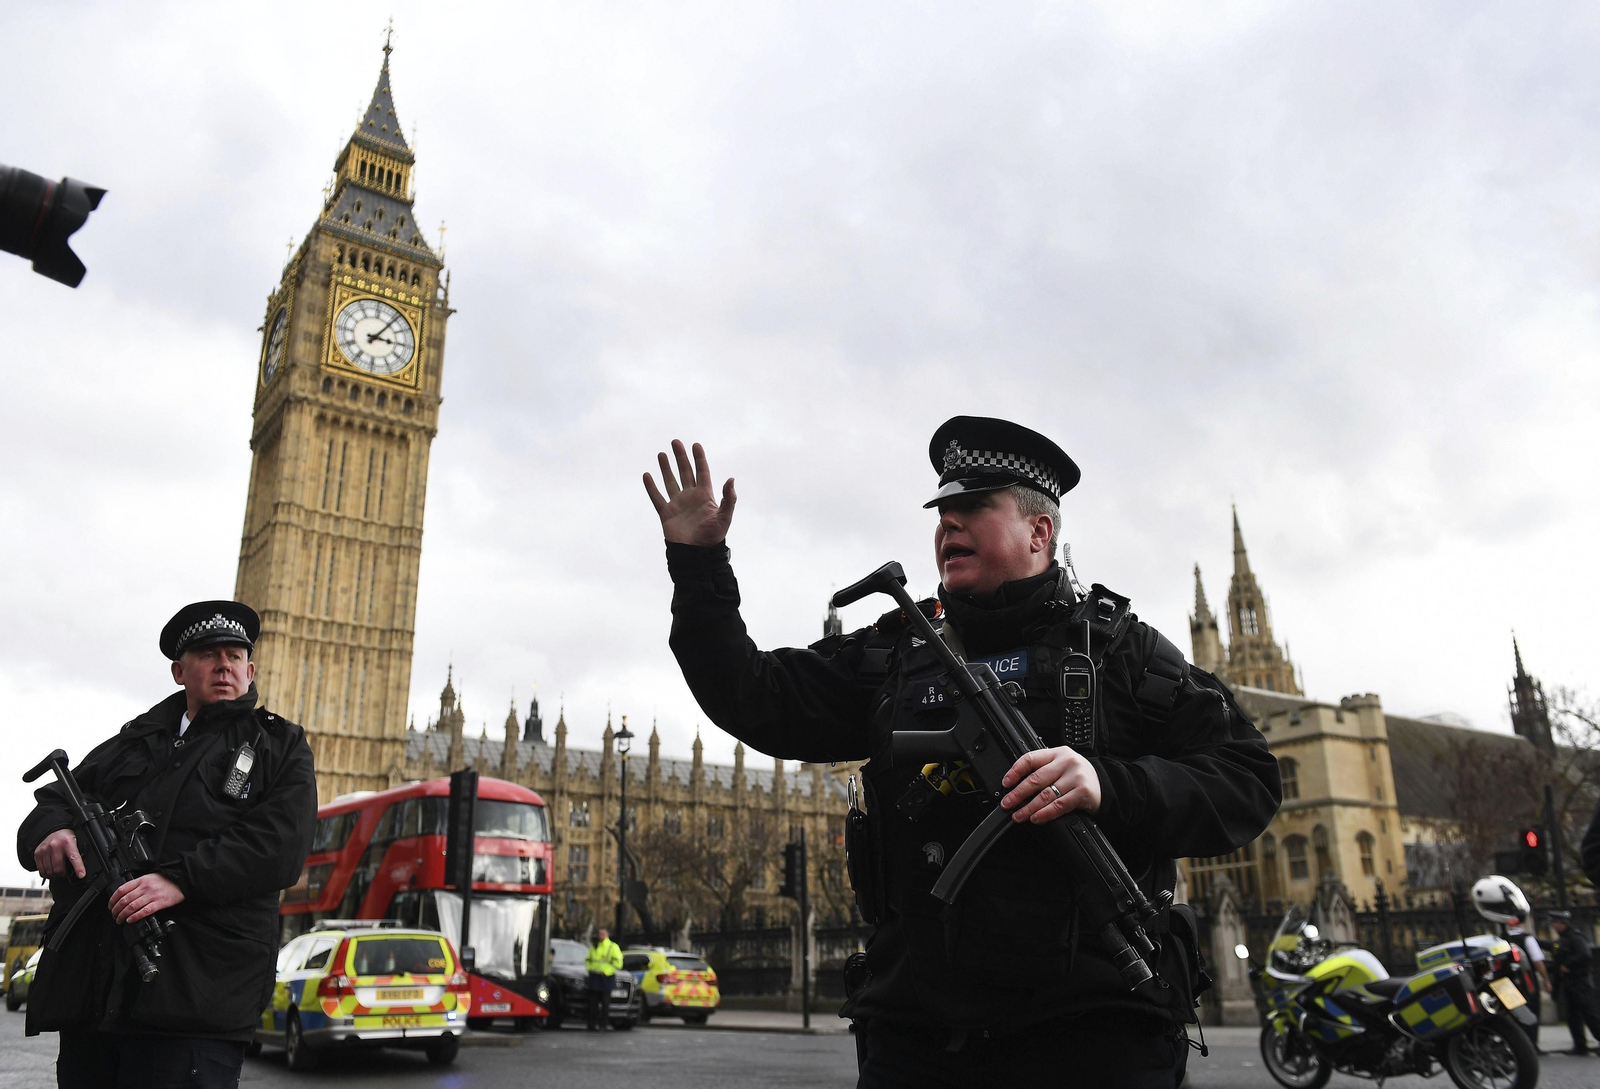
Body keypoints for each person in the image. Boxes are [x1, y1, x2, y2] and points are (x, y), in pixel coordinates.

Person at [643, 418, 1281, 1088]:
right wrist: (698, 563)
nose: (949, 525)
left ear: (1040, 531)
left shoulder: (1120, 652)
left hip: (1095, 1031)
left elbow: (1248, 777)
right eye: (943, 512)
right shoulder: (894, 652)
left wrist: (1109, 783)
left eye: (974, 507)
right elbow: (753, 694)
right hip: (919, 1037)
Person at [17, 601, 317, 1089]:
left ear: (251, 669)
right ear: (179, 671)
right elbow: (56, 796)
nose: (224, 664)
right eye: (208, 654)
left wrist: (180, 879)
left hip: (197, 1000)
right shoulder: (137, 741)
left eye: (235, 655)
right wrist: (51, 831)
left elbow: (281, 844)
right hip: (98, 1000)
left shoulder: (277, 746)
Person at [1472, 875, 1548, 1049]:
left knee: (1513, 1014)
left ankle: (1515, 1045)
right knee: (1530, 1012)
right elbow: (1537, 960)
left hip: (1504, 983)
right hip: (1524, 979)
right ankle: (1531, 1045)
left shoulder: (1497, 940)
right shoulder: (1527, 939)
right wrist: (1546, 979)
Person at [1548, 910, 1600, 1056]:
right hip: (1569, 983)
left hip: (1580, 981)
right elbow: (1553, 948)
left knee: (1590, 1014)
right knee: (1573, 1016)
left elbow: (1585, 954)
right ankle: (1580, 1046)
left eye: (1554, 922)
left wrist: (1568, 965)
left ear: (1562, 923)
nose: (1552, 926)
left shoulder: (1575, 937)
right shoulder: (1562, 939)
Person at [584, 927, 623, 1030]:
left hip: (606, 978)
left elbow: (618, 963)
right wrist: (589, 968)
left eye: (602, 934)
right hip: (594, 977)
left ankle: (603, 1024)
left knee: (605, 1004)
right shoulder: (594, 946)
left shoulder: (612, 947)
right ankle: (592, 1024)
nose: (600, 936)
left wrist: (607, 971)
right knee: (593, 1004)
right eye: (599, 934)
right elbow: (588, 960)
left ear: (607, 935)